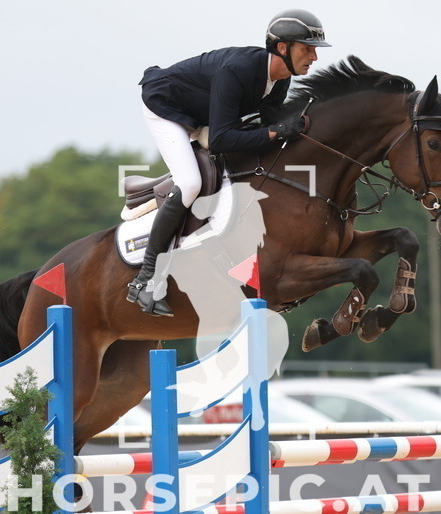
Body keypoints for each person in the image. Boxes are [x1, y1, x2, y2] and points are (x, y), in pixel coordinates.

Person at [127, 9, 331, 317]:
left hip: (205, 116)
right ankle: (145, 280)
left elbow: (266, 127)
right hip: (165, 107)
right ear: (282, 48)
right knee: (191, 182)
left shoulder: (280, 79)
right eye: (307, 48)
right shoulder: (239, 69)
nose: (314, 56)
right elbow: (224, 139)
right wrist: (276, 131)